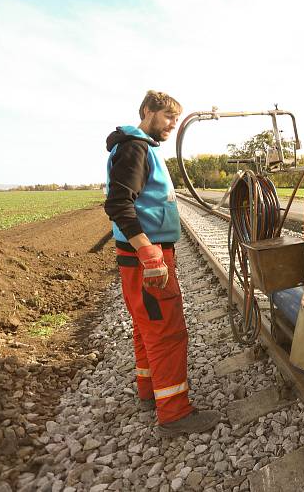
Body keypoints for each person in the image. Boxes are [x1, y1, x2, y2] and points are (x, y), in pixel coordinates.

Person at [104, 90, 221, 437]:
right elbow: (118, 204)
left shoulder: (135, 146)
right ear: (147, 111)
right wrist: (148, 252)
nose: (172, 124)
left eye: (175, 118)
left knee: (146, 327)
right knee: (167, 331)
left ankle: (149, 391)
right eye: (168, 116)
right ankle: (175, 414)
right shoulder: (135, 148)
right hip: (147, 258)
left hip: (137, 257)